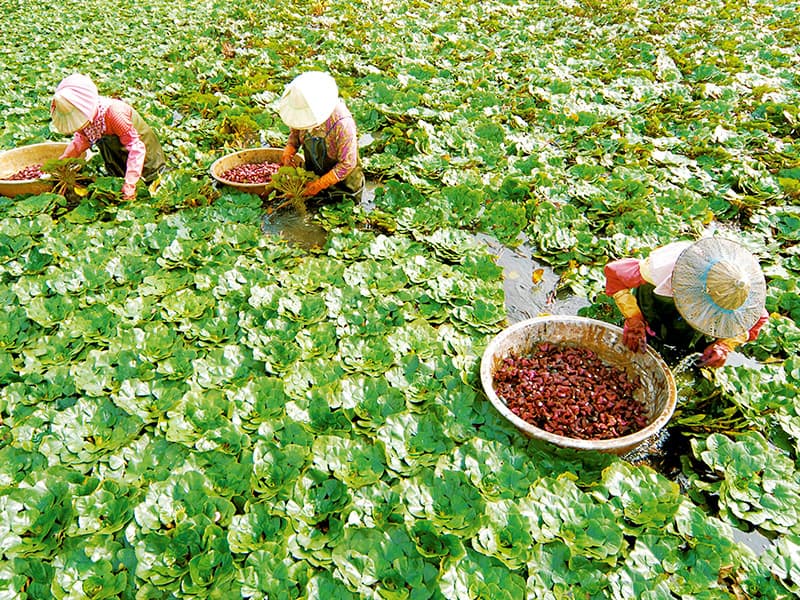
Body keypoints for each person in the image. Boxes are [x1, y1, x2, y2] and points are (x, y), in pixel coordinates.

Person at [604, 237, 769, 367]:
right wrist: (634, 318)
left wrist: (724, 345)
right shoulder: (665, 269)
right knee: (655, 319)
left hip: (698, 324)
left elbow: (758, 320)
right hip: (657, 300)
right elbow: (615, 273)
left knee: (687, 340)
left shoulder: (742, 295)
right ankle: (651, 328)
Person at [50, 74, 166, 201]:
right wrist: (62, 162)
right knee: (116, 183)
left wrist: (130, 184)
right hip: (117, 158)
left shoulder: (115, 114)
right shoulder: (86, 120)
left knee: (147, 184)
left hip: (144, 157)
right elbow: (81, 140)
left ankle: (138, 179)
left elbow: (137, 149)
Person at [277, 71, 364, 203]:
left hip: (344, 185)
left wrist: (320, 184)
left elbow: (347, 163)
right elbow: (295, 133)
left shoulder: (342, 123)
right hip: (315, 174)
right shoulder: (300, 116)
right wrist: (290, 148)